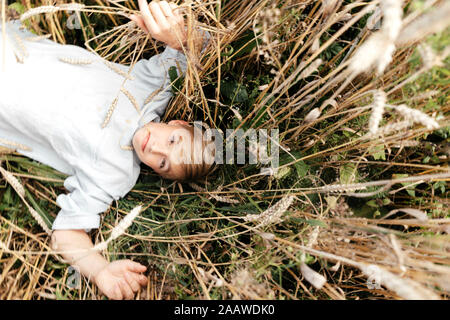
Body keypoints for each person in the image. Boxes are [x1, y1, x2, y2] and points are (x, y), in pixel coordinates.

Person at [0, 0, 213, 299]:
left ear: (156, 172)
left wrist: (99, 269)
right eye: (173, 140)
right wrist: (177, 33)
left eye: (163, 163)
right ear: (176, 122)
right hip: (11, 48)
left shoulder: (114, 173)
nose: (156, 148)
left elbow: (67, 233)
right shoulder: (152, 90)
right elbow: (201, 45)